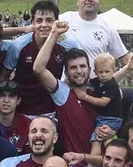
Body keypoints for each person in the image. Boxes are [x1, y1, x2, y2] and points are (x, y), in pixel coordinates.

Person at [4, 0, 81, 119]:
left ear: (57, 22)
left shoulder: (68, 45)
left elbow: (76, 72)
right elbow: (4, 76)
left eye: (49, 20)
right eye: (39, 20)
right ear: (32, 23)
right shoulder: (18, 46)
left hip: (53, 110)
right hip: (21, 111)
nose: (44, 25)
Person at [32, 22, 99, 155]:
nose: (79, 71)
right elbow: (38, 69)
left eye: (82, 66)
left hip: (101, 166)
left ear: (90, 69)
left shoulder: (100, 92)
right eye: (73, 68)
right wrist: (54, 34)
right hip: (73, 166)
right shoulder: (62, 93)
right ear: (67, 73)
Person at [59, 0, 133, 78]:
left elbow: (126, 59)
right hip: (67, 88)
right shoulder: (63, 20)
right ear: (78, 0)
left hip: (95, 89)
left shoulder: (107, 28)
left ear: (100, 2)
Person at [79, 53, 122, 158]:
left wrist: (85, 97)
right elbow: (88, 81)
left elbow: (103, 102)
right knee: (103, 140)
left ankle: (92, 163)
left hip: (111, 119)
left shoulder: (111, 85)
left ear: (114, 71)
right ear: (95, 72)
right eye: (100, 72)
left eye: (107, 72)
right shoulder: (98, 81)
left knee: (96, 140)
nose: (103, 75)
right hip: (103, 118)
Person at [0, 80, 31, 154]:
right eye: (2, 95)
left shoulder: (28, 126)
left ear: (18, 100)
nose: (6, 100)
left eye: (11, 96)